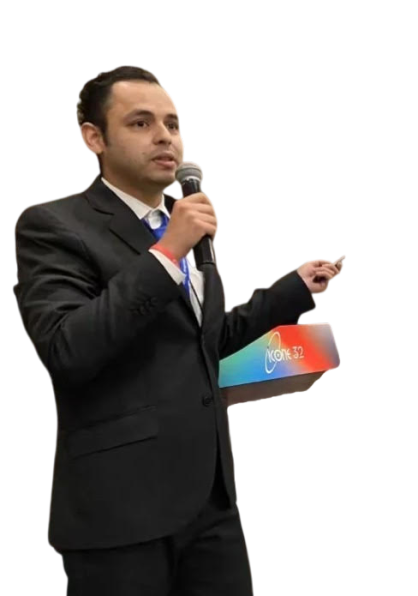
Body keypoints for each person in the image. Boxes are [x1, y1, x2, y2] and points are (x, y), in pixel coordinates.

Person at [15, 66, 343, 595]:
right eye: (141, 123)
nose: (165, 137)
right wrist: (168, 252)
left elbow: (205, 342)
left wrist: (294, 289)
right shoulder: (56, 225)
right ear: (93, 138)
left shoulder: (187, 232)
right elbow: (67, 349)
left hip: (210, 502)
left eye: (173, 124)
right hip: (121, 511)